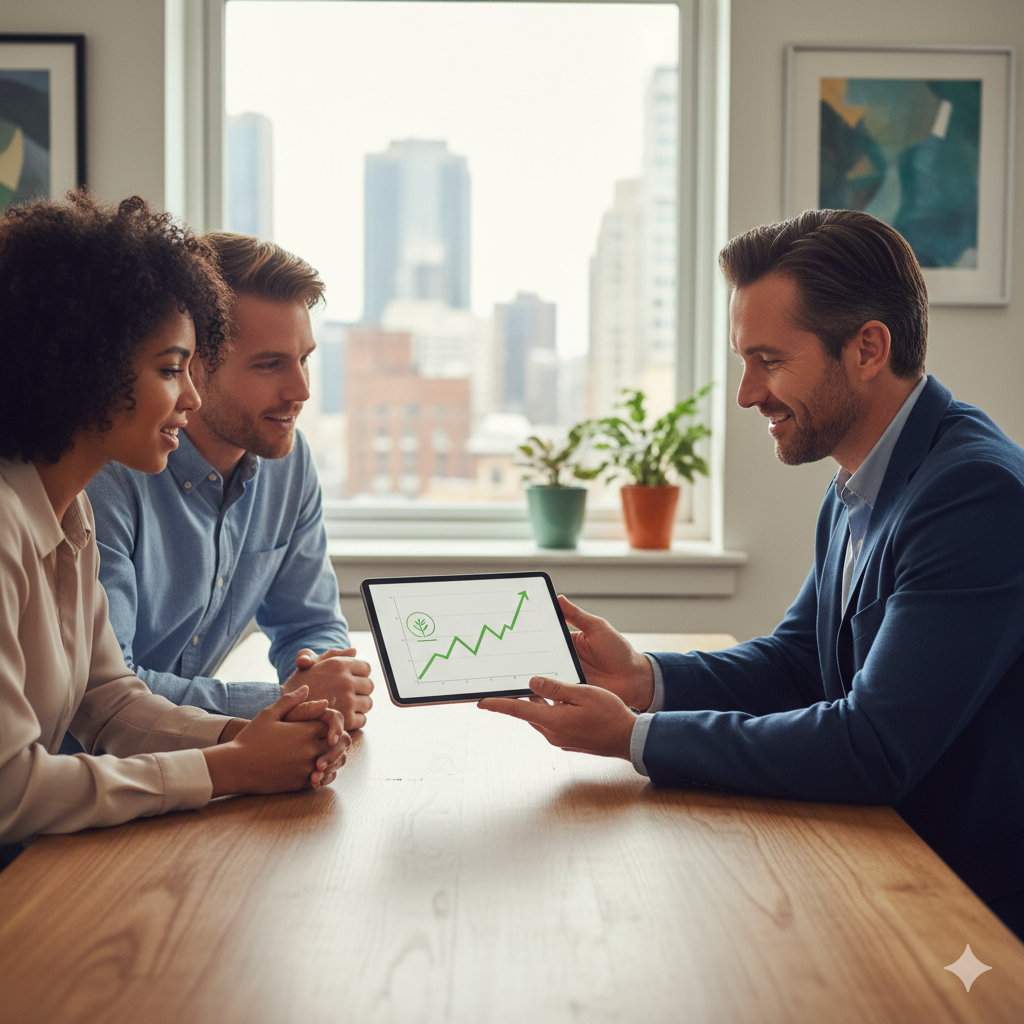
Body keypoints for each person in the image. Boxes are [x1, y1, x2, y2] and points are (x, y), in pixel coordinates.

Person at [479, 209, 1024, 939]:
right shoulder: (864, 480)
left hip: (972, 914)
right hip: (884, 863)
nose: (746, 393)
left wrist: (636, 737)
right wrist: (644, 678)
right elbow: (800, 662)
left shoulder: (973, 495)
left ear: (867, 348)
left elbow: (874, 747)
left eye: (768, 361)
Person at [0, 191, 350, 857]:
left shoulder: (64, 514)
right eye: (170, 369)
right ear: (85, 370)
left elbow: (108, 700)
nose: (189, 398)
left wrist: (250, 740)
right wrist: (231, 766)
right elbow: (10, 790)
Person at [74, 233, 373, 751]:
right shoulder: (107, 473)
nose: (300, 390)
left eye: (304, 359)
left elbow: (310, 621)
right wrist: (281, 701)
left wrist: (327, 679)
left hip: (206, 771)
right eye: (269, 364)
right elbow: (102, 694)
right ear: (193, 364)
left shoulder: (288, 459)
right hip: (90, 782)